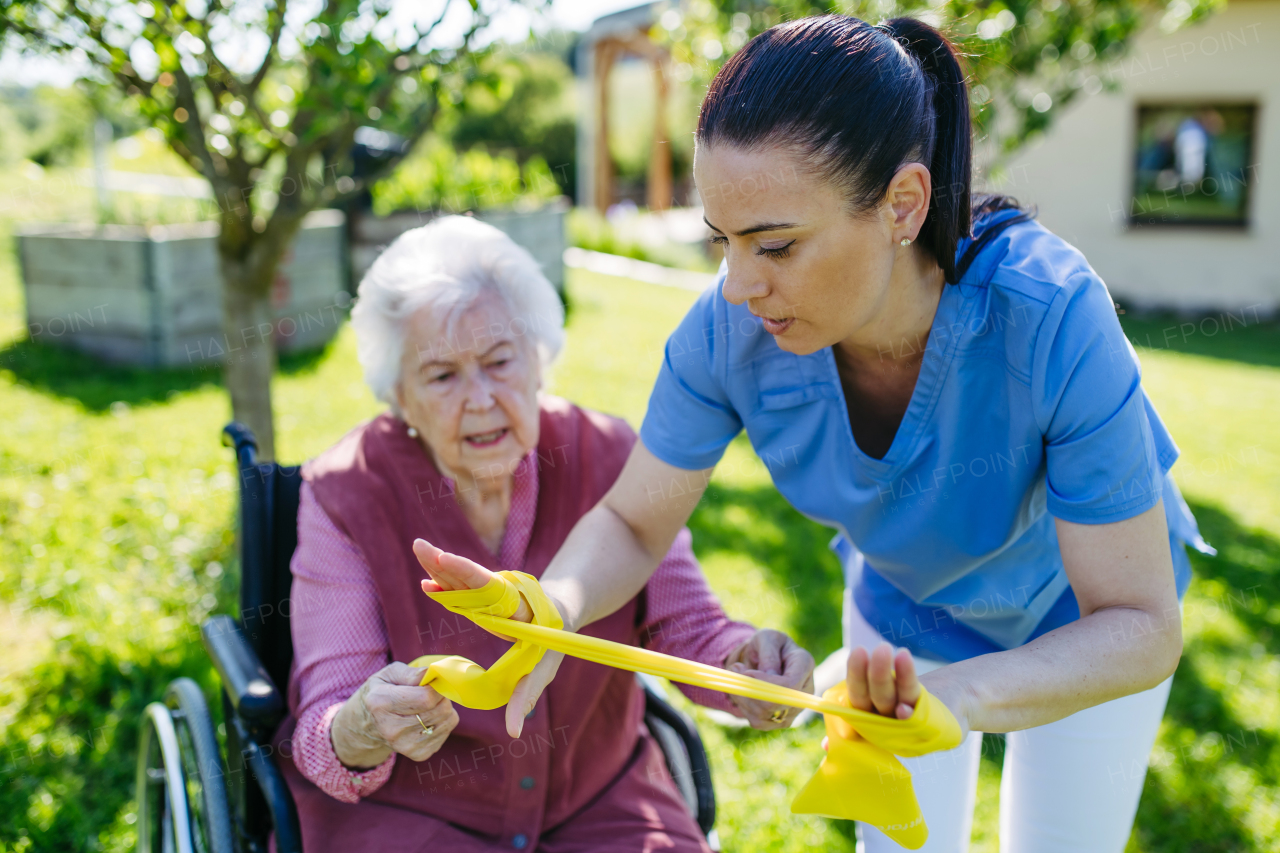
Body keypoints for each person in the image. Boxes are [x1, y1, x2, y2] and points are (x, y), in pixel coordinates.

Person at [417, 15, 1213, 853]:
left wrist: (962, 695)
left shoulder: (1049, 314)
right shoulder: (727, 335)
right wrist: (553, 605)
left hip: (1078, 622)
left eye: (777, 245)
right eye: (722, 242)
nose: (738, 286)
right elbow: (632, 520)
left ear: (903, 204)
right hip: (902, 611)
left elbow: (1138, 619)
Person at [273, 216, 815, 852]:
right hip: (414, 822)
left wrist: (747, 669)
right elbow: (326, 724)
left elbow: (687, 628)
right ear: (397, 395)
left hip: (603, 805)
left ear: (538, 358)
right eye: (442, 375)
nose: (480, 399)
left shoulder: (611, 457)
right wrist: (363, 726)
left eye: (500, 361)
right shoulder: (346, 493)